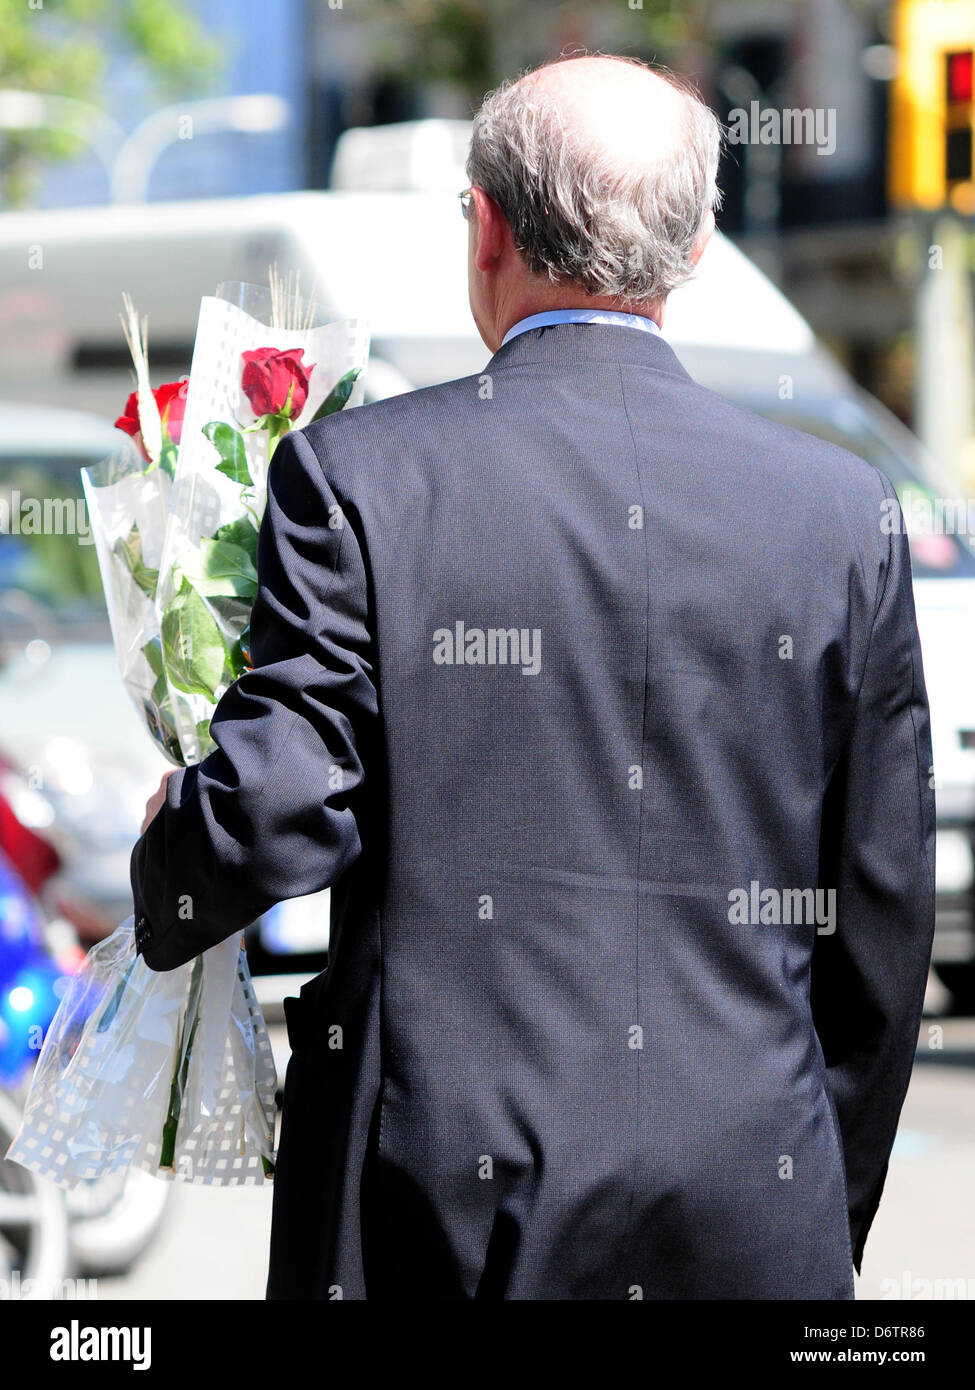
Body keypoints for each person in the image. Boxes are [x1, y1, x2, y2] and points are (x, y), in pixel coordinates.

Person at [132, 53, 935, 1300]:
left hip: (435, 1214)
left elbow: (276, 811)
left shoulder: (361, 481)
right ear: (698, 248)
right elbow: (882, 922)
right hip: (749, 1205)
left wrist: (169, 851)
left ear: (489, 226)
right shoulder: (841, 512)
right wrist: (820, 1212)